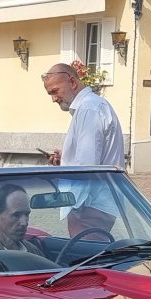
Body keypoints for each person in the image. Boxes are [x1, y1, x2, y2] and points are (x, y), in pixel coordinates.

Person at [40, 62, 124, 235]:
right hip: (96, 203)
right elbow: (91, 157)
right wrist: (65, 159)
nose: (54, 99)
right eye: (50, 94)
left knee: (87, 251)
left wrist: (74, 206)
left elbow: (86, 166)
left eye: (55, 91)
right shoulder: (92, 106)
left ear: (72, 82)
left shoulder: (88, 109)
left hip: (90, 206)